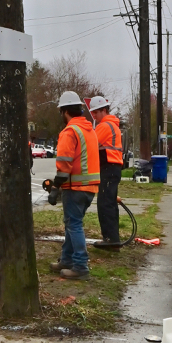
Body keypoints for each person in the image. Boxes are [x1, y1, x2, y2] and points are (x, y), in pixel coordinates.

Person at [51, 91, 100, 279]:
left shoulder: (70, 131)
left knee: (74, 225)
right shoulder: (89, 130)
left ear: (64, 112)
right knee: (72, 223)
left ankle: (80, 267)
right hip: (89, 188)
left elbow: (64, 165)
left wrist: (56, 187)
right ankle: (67, 260)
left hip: (75, 188)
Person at [89, 95, 123, 249]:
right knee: (110, 203)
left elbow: (91, 144)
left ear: (103, 110)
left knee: (105, 204)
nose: (93, 116)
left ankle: (110, 239)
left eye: (95, 112)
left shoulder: (104, 126)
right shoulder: (113, 125)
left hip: (108, 168)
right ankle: (113, 238)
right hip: (113, 168)